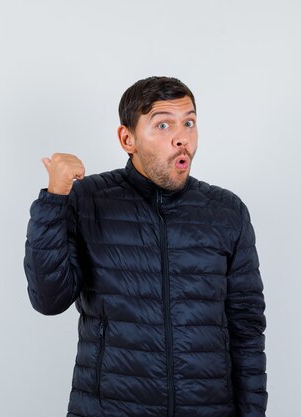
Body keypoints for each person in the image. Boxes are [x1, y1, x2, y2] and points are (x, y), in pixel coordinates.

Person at [24, 76, 267, 417]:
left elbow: (246, 327)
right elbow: (49, 300)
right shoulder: (88, 200)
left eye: (189, 123)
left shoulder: (226, 212)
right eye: (163, 125)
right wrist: (54, 200)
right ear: (128, 138)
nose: (181, 138)